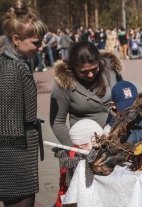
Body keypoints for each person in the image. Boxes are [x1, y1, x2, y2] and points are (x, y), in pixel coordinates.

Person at [0, 0, 48, 206]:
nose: (41, 46)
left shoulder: (16, 62)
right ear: (16, 40)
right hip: (14, 153)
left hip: (18, 148)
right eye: (36, 42)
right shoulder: (11, 68)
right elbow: (8, 126)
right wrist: (16, 167)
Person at [50, 41, 123, 147]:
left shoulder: (111, 69)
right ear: (73, 68)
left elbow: (125, 99)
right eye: (84, 71)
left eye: (94, 69)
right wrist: (72, 148)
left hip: (116, 140)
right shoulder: (63, 83)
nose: (90, 74)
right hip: (84, 145)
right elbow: (57, 122)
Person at [54, 119, 104, 207]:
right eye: (97, 142)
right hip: (70, 201)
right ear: (82, 145)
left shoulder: (81, 153)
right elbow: (67, 189)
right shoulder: (74, 159)